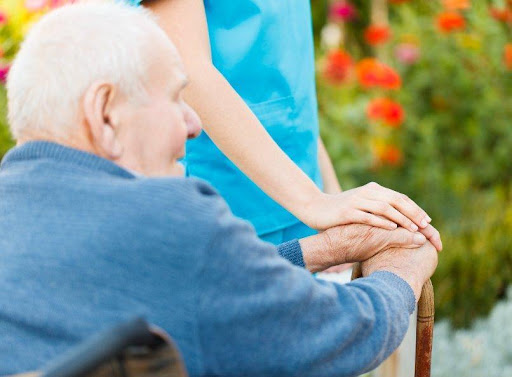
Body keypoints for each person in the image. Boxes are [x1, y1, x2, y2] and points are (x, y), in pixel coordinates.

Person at [0, 3, 439, 376]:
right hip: (247, 207)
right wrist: (402, 271)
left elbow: (183, 288)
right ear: (104, 114)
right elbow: (337, 332)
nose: (193, 125)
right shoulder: (170, 223)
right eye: (176, 99)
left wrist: (319, 248)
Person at [142, 0, 442, 248]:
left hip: (298, 204)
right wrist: (314, 202)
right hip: (224, 211)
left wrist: (331, 197)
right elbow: (191, 72)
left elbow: (289, 92)